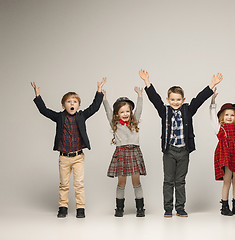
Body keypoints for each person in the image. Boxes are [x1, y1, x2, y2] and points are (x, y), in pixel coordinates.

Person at [139, 69, 223, 217]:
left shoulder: (188, 110)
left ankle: (180, 208)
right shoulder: (164, 111)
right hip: (169, 151)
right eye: (172, 100)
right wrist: (147, 82)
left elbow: (199, 99)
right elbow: (154, 99)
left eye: (178, 100)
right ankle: (168, 208)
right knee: (168, 180)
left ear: (183, 100)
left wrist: (211, 85)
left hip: (183, 151)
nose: (175, 102)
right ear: (168, 100)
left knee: (180, 181)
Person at [30, 78, 106, 218]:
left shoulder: (82, 115)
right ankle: (63, 207)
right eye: (69, 102)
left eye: (75, 102)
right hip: (64, 157)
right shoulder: (59, 117)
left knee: (79, 184)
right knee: (64, 184)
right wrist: (37, 96)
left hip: (78, 157)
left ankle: (80, 208)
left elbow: (94, 107)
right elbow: (44, 111)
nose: (72, 104)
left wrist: (99, 91)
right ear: (63, 105)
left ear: (78, 105)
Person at [102, 86, 146, 217]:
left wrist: (140, 95)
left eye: (128, 111)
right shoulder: (115, 123)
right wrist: (104, 99)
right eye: (122, 112)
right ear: (117, 114)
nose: (125, 114)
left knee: (136, 182)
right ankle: (119, 208)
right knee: (121, 183)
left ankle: (140, 208)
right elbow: (108, 112)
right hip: (121, 153)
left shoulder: (134, 122)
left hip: (134, 153)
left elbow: (140, 109)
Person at [210, 87, 235, 216]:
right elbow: (212, 115)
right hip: (226, 156)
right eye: (226, 114)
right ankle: (224, 207)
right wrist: (213, 101)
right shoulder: (219, 129)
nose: (229, 117)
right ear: (222, 116)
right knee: (227, 180)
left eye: (232, 115)